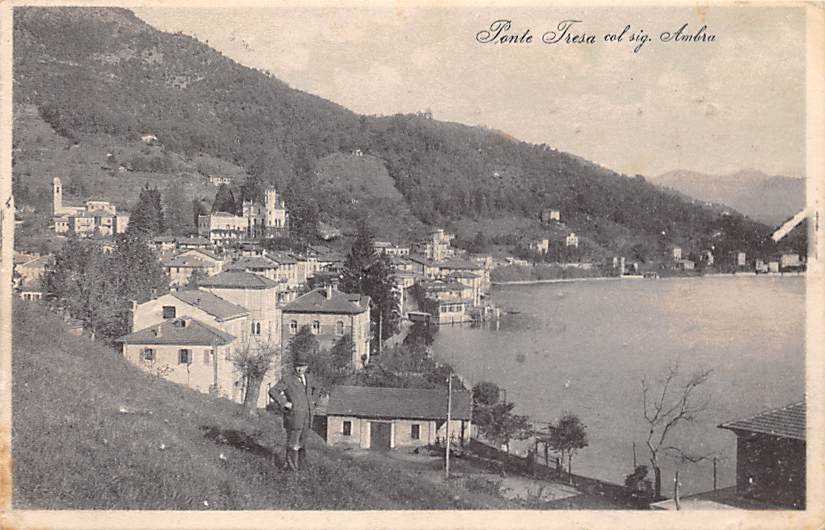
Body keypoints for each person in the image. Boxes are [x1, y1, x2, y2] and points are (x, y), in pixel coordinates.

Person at [268, 350, 320, 471]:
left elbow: (317, 388)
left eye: (302, 366)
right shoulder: (288, 379)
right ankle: (292, 469)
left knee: (302, 444)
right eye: (297, 366)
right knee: (293, 444)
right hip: (294, 417)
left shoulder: (309, 378)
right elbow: (273, 391)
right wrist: (284, 403)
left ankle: (302, 468)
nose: (299, 369)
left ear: (306, 367)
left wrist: (313, 401)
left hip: (307, 417)